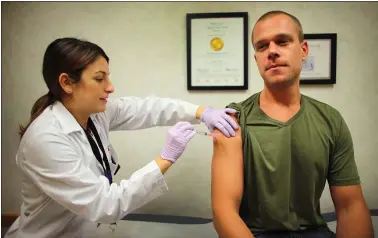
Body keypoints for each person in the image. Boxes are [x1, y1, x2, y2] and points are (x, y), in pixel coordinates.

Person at [4, 37, 239, 238]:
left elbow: (148, 109)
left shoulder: (94, 115)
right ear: (67, 83)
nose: (110, 87)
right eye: (99, 78)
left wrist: (201, 112)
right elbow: (105, 205)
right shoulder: (46, 139)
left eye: (108, 77)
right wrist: (166, 158)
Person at [211, 10, 374, 238]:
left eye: (282, 41)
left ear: (303, 50)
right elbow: (223, 212)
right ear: (256, 58)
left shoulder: (330, 120)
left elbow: (350, 206)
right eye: (262, 46)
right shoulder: (233, 120)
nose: (272, 51)